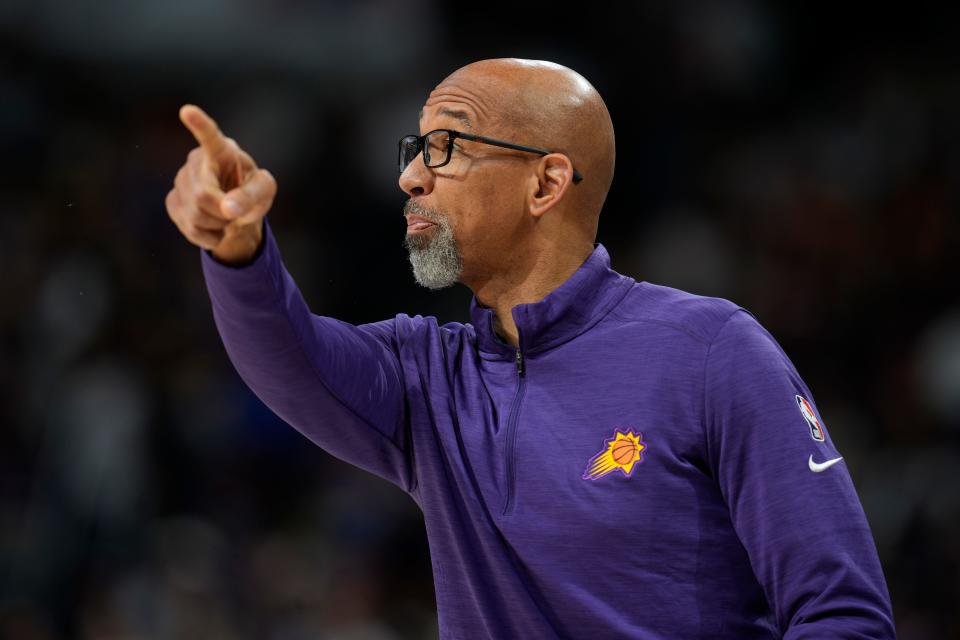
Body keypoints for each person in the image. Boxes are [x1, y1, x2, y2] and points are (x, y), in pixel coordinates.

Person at [165, 58, 896, 638]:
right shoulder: (429, 379)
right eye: (415, 147)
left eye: (446, 145)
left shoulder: (709, 351)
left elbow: (841, 615)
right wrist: (237, 249)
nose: (410, 174)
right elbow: (288, 360)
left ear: (545, 182)